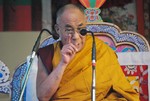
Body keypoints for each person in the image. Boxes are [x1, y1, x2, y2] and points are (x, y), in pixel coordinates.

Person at [36, 4, 139, 101]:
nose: (76, 37)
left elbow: (123, 92)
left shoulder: (100, 49)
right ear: (58, 29)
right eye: (69, 30)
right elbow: (43, 96)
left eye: (81, 29)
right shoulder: (48, 53)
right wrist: (63, 63)